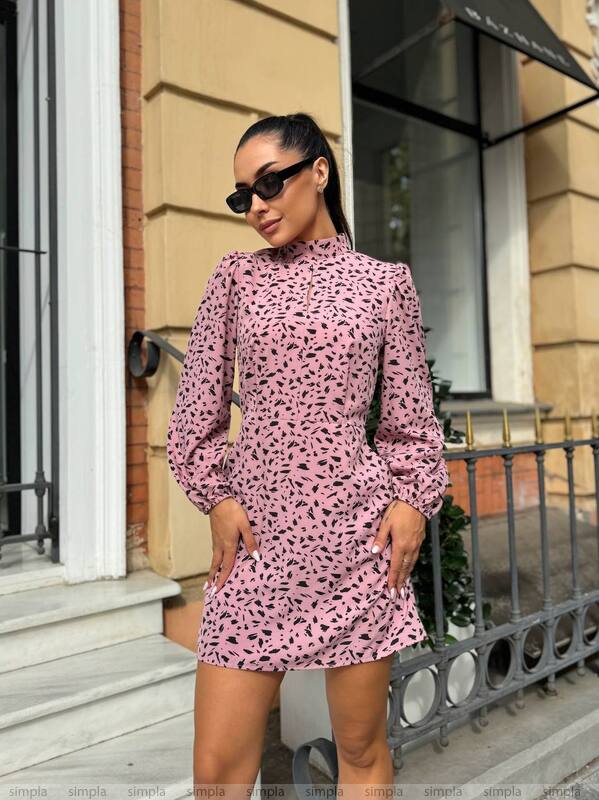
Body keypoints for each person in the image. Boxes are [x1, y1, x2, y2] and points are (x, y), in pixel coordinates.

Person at [166, 112, 449, 796]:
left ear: (318, 171)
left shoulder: (385, 285)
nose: (255, 206)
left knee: (357, 750)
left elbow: (411, 422)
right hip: (255, 547)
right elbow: (193, 416)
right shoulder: (235, 278)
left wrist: (412, 502)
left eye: (268, 184)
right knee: (216, 770)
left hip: (355, 546)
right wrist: (218, 496)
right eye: (242, 196)